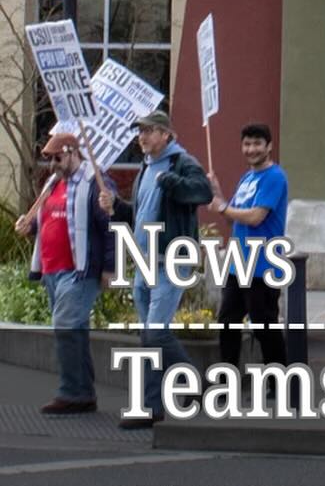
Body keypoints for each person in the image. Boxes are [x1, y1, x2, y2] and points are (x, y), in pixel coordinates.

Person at [100, 110, 213, 427]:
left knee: (154, 334)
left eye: (149, 131)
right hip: (143, 263)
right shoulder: (145, 170)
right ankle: (168, 396)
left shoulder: (180, 163)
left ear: (166, 134)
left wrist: (171, 181)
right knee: (149, 339)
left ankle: (171, 395)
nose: (142, 136)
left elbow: (202, 192)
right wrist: (117, 208)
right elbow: (140, 215)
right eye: (140, 132)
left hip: (170, 261)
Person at [15, 131, 112, 413]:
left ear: (73, 153)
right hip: (52, 270)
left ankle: (70, 392)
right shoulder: (52, 183)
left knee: (65, 324)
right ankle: (83, 393)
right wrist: (29, 226)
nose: (54, 164)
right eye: (50, 159)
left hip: (79, 271)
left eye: (58, 157)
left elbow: (109, 227)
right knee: (75, 331)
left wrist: (108, 268)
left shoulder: (95, 181)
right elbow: (46, 218)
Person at [208, 123, 290, 371]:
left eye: (257, 143)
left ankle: (280, 380)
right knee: (228, 322)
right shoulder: (247, 178)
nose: (251, 149)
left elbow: (256, 217)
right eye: (247, 144)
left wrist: (223, 207)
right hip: (238, 263)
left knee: (264, 325)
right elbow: (233, 216)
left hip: (263, 264)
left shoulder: (274, 177)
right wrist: (218, 193)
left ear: (269, 146)